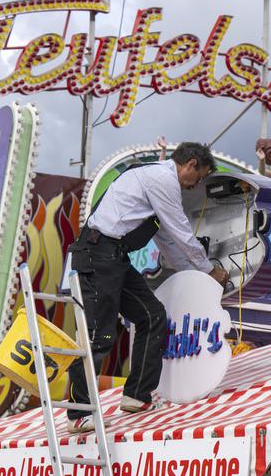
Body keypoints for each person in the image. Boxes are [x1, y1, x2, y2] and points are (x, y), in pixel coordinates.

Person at [65, 142, 229, 433]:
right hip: (99, 254)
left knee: (152, 316)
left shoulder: (157, 184)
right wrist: (209, 270)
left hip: (113, 257)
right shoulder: (163, 181)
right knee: (99, 335)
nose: (197, 184)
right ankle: (78, 412)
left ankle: (136, 395)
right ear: (190, 164)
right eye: (199, 177)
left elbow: (169, 245)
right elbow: (180, 233)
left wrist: (200, 279)